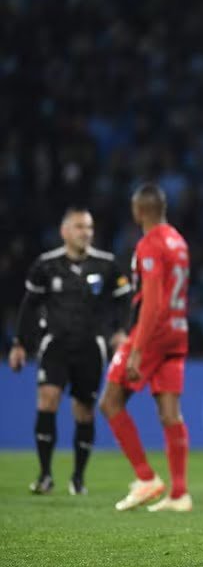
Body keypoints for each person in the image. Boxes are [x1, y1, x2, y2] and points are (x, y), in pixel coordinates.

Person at [8, 208, 131, 495]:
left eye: (88, 227)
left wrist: (120, 331)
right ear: (65, 231)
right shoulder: (46, 266)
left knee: (84, 411)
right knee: (47, 400)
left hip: (91, 347)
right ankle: (45, 475)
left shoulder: (107, 265)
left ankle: (78, 477)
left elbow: (124, 301)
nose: (85, 232)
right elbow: (29, 307)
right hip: (56, 345)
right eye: (79, 227)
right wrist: (20, 344)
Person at [98, 184, 192, 512]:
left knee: (110, 402)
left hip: (153, 334)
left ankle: (145, 478)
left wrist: (136, 348)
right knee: (170, 413)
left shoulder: (150, 244)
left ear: (138, 211)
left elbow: (152, 300)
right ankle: (179, 493)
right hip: (178, 332)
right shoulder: (177, 240)